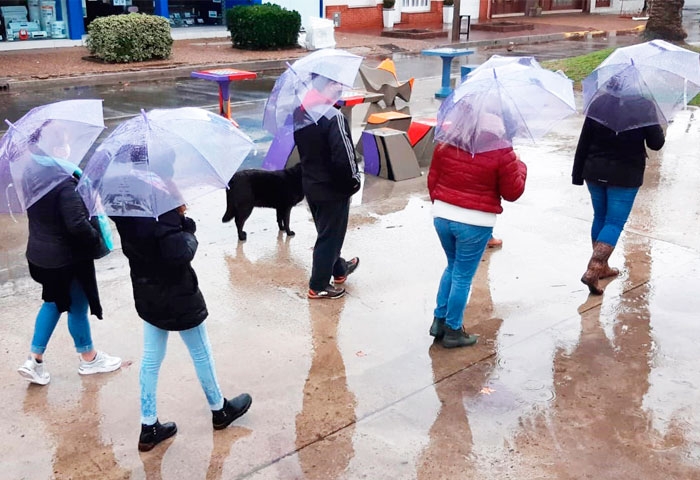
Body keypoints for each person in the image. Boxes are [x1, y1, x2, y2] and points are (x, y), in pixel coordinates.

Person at [111, 177, 251, 451]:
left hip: (146, 290)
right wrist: (186, 228)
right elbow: (178, 253)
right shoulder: (160, 204)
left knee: (151, 358)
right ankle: (219, 409)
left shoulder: (121, 198)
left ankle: (148, 426)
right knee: (200, 351)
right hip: (177, 293)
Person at [17, 123, 122, 385]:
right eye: (63, 143)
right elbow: (76, 225)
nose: (68, 147)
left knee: (52, 302)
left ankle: (34, 359)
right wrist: (97, 239)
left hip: (41, 255)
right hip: (66, 259)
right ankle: (89, 358)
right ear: (54, 147)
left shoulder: (32, 173)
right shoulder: (63, 182)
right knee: (77, 306)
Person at [428, 112, 527, 348]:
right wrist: (520, 165)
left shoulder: (448, 142)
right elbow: (513, 193)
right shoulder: (502, 151)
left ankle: (438, 321)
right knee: (463, 275)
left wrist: (442, 205)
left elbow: (433, 180)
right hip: (474, 222)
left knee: (452, 267)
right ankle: (453, 330)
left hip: (442, 216)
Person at [572, 94, 665, 295]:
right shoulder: (643, 104)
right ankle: (593, 269)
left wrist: (577, 174)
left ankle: (603, 267)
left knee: (600, 217)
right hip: (625, 174)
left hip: (594, 170)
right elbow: (656, 143)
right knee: (613, 222)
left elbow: (584, 140)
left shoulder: (599, 102)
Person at [293, 74, 361, 300]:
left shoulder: (301, 112)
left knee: (328, 232)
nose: (340, 87)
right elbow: (345, 157)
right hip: (334, 189)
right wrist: (353, 182)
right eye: (336, 83)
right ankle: (318, 285)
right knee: (329, 237)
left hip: (312, 185)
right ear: (325, 86)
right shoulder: (334, 117)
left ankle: (339, 270)